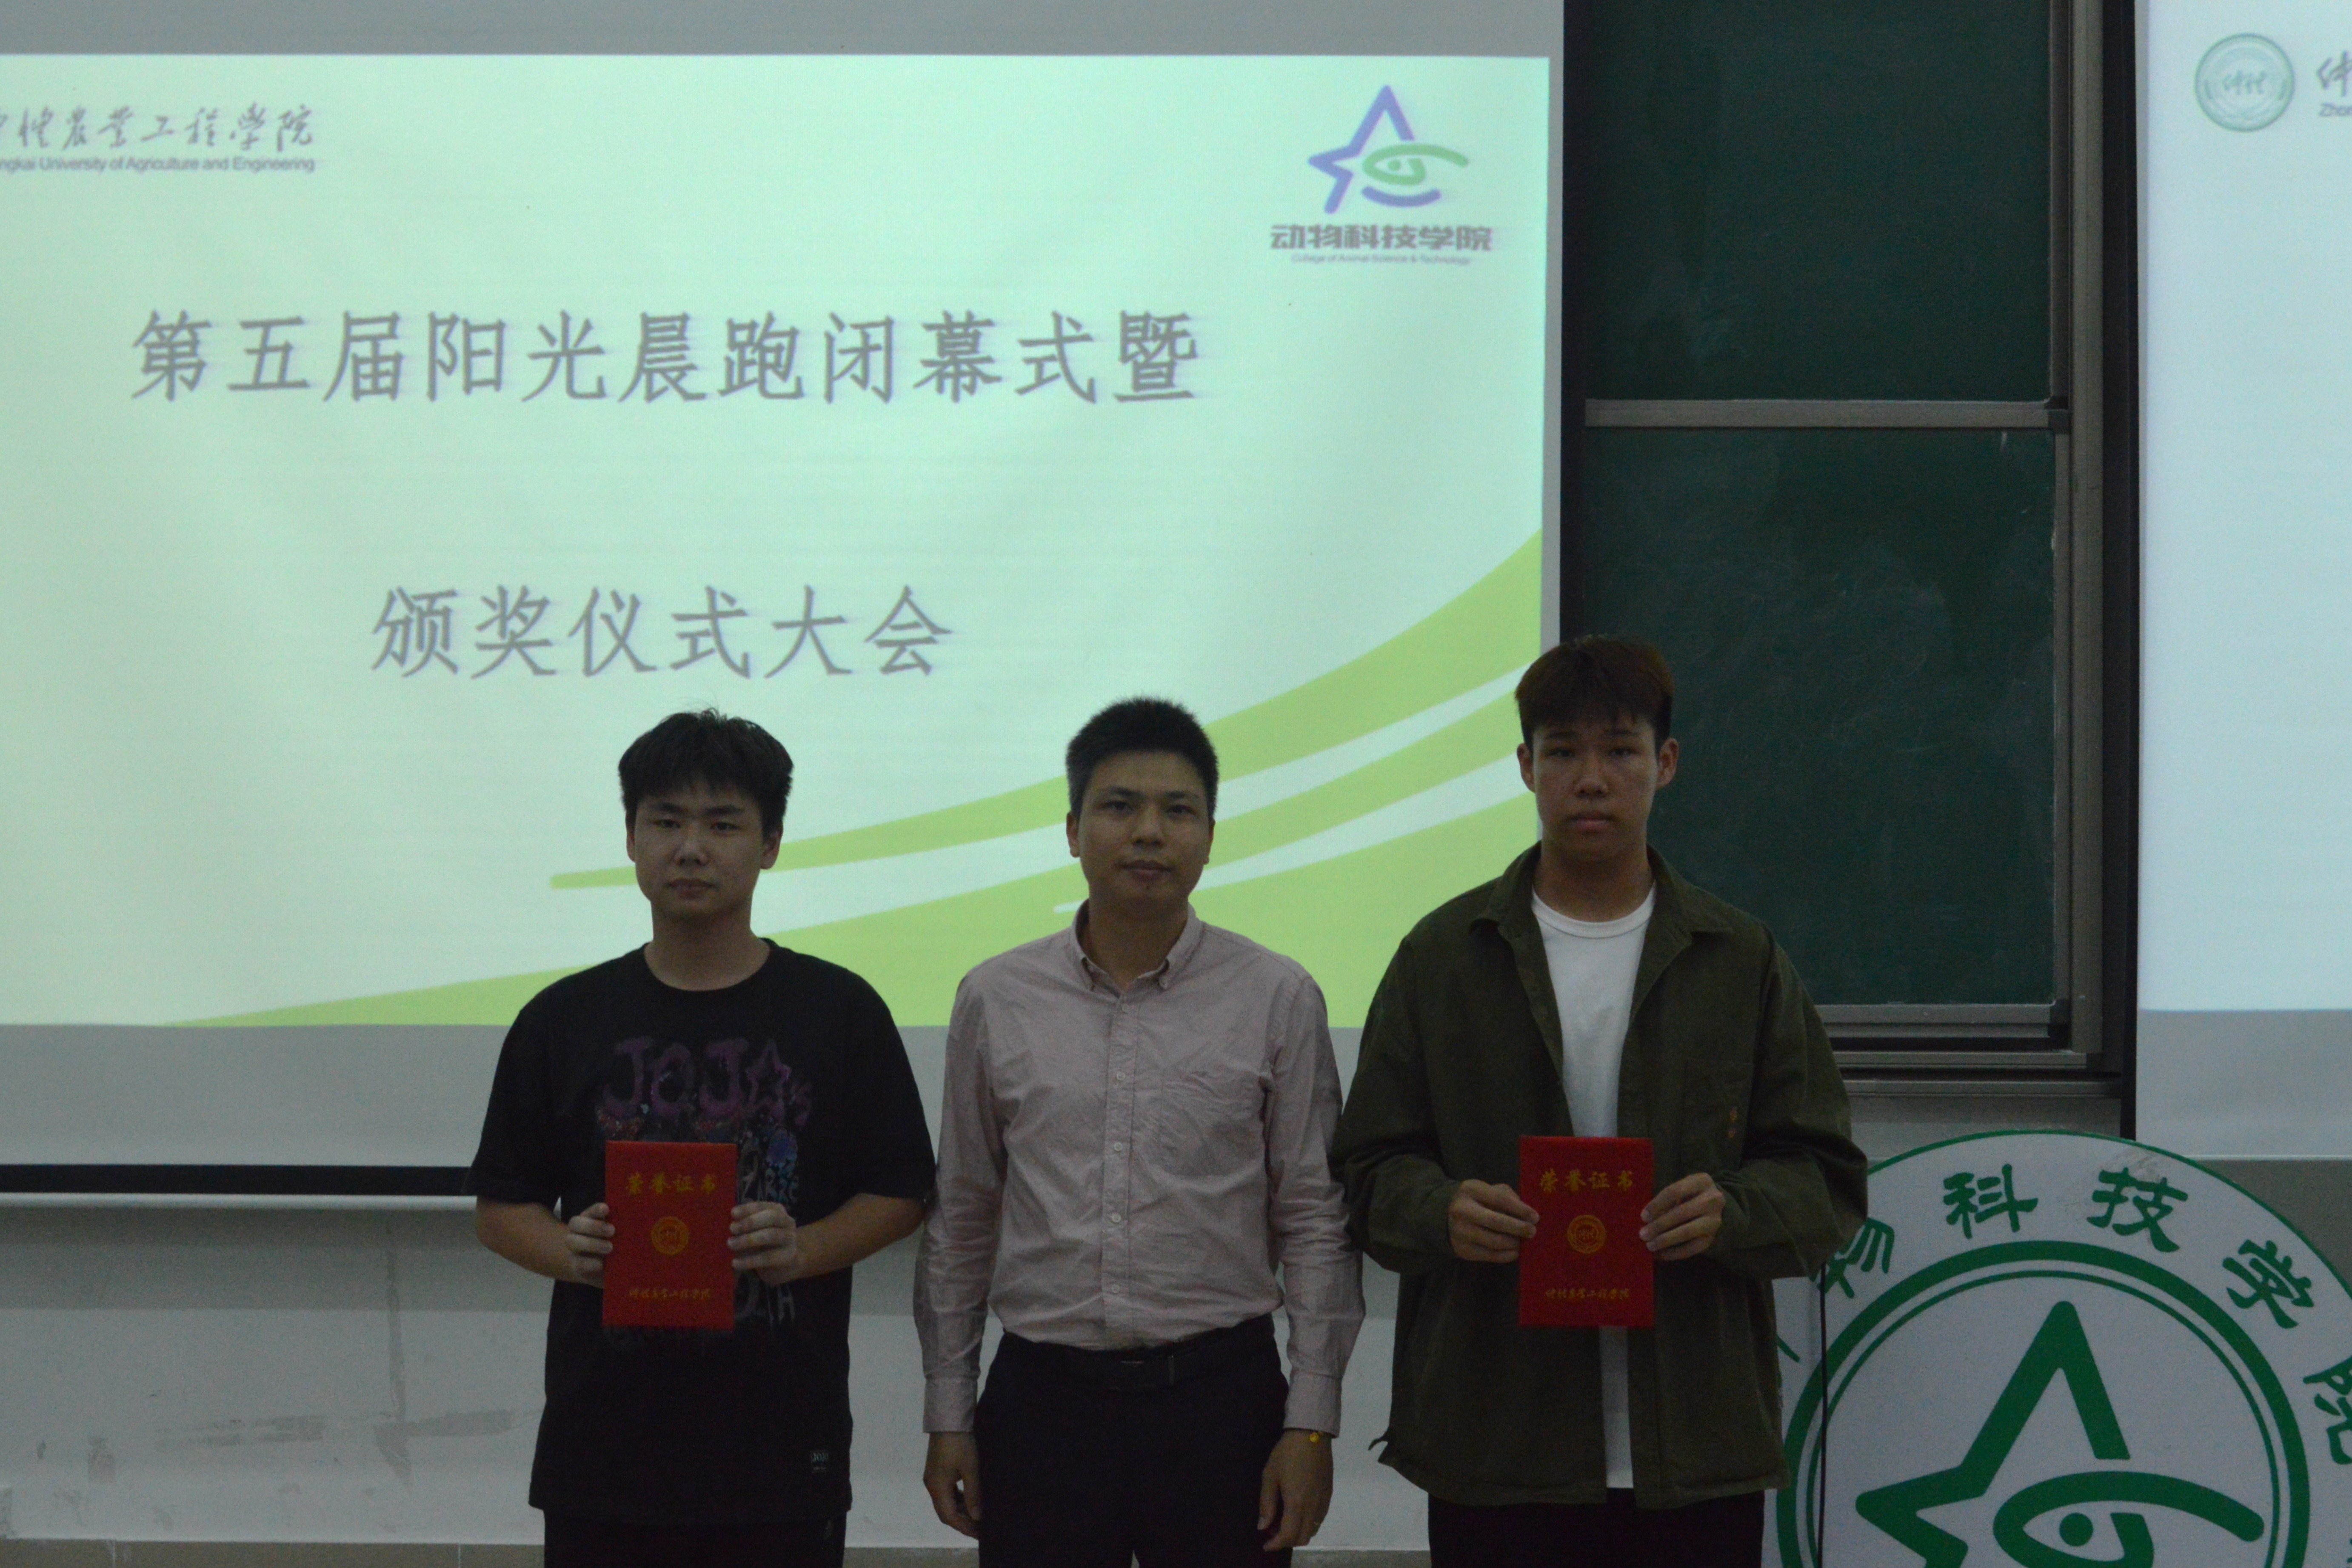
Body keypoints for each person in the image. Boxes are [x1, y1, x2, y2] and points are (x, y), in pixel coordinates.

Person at [1331, 637, 1867, 1568]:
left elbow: (1826, 1179)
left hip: (1694, 1442)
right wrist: (1441, 1209)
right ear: (1524, 767)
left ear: (1666, 763)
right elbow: (1368, 1170)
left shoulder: (1738, 959)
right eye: (1563, 751)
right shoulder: (1444, 955)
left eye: (1620, 750)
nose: (1590, 779)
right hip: (1498, 1440)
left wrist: (1734, 1211)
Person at [468, 709, 936, 1568]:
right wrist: (570, 1250)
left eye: (723, 824)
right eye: (666, 822)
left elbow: (902, 1190)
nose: (691, 849)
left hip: (779, 1446)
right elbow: (502, 1206)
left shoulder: (839, 1011)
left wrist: (804, 1247)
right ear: (631, 838)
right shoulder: (562, 1018)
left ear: (770, 844)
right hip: (602, 1446)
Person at [914, 697, 1364, 1567]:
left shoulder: (1277, 995)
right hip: (1042, 1403)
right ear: (1072, 830)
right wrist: (948, 1413)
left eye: (1178, 810)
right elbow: (964, 1213)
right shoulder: (995, 997)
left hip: (1222, 1402)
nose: (1150, 832)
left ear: (1210, 835)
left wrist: (1311, 1423)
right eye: (1120, 806)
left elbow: (1315, 1216)